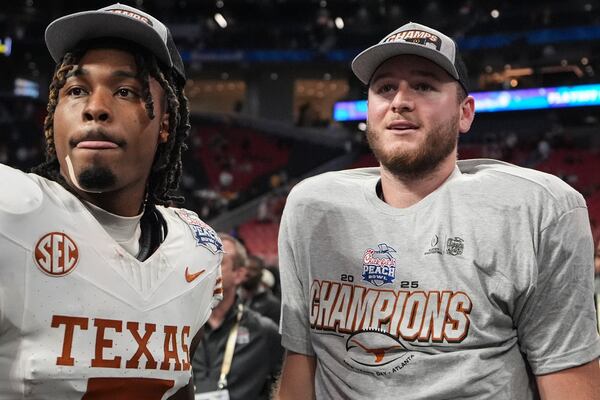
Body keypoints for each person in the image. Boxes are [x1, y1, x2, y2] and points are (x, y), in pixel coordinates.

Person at [275, 22, 600, 399]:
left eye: (424, 85)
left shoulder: (538, 210)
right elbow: (301, 365)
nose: (400, 100)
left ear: (465, 113)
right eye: (384, 88)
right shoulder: (311, 207)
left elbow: (570, 380)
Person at [0, 4, 224, 399]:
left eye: (124, 91)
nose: (95, 107)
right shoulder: (11, 209)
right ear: (53, 115)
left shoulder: (197, 248)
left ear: (166, 123)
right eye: (76, 90)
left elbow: (179, 385)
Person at [192, 233, 283, 400]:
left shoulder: (263, 332)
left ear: (239, 274)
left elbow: (287, 384)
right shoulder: (183, 329)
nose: (206, 268)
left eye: (218, 261)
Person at [239, 254, 281, 324]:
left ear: (261, 274)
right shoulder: (233, 298)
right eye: (246, 268)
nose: (247, 273)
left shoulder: (272, 305)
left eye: (253, 269)